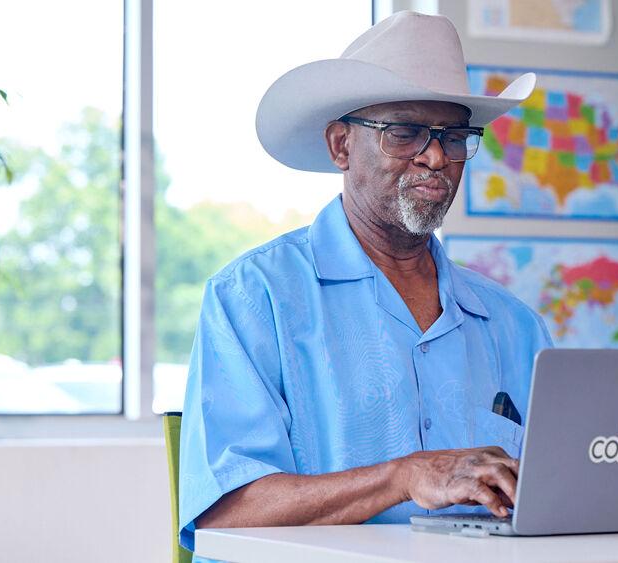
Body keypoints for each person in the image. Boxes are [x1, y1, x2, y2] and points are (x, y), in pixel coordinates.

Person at [178, 11, 551, 550]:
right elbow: (224, 513)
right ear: (341, 146)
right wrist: (406, 475)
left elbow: (557, 496)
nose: (435, 157)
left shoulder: (515, 326)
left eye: (453, 137)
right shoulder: (255, 299)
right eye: (405, 133)